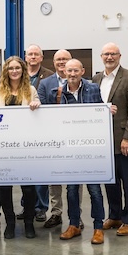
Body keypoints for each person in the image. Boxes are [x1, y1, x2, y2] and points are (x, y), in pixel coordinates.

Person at [92, 43, 128, 236]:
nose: (109, 57)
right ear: (101, 56)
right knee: (110, 180)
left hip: (123, 140)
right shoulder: (96, 79)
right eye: (106, 54)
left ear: (119, 56)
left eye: (113, 54)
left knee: (127, 181)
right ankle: (115, 215)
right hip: (102, 141)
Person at [0, 56, 41, 239]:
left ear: (23, 70)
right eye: (11, 68)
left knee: (28, 188)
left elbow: (39, 115)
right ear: (6, 71)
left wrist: (36, 105)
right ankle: (9, 222)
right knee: (4, 187)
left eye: (17, 68)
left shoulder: (31, 90)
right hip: (4, 147)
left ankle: (28, 222)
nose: (14, 71)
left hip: (25, 146)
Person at [58, 59, 107, 245]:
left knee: (94, 190)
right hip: (70, 148)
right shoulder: (60, 91)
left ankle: (98, 227)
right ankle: (73, 225)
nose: (72, 74)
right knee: (71, 190)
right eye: (69, 70)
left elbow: (100, 109)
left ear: (82, 71)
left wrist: (108, 110)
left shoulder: (93, 88)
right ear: (64, 71)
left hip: (91, 147)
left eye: (75, 70)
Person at [35, 48, 73, 227]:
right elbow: (42, 107)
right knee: (54, 178)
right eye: (58, 59)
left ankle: (75, 216)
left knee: (74, 180)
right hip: (53, 137)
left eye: (65, 59)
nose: (61, 62)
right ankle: (56, 213)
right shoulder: (45, 83)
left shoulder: (82, 82)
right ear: (54, 62)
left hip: (73, 137)